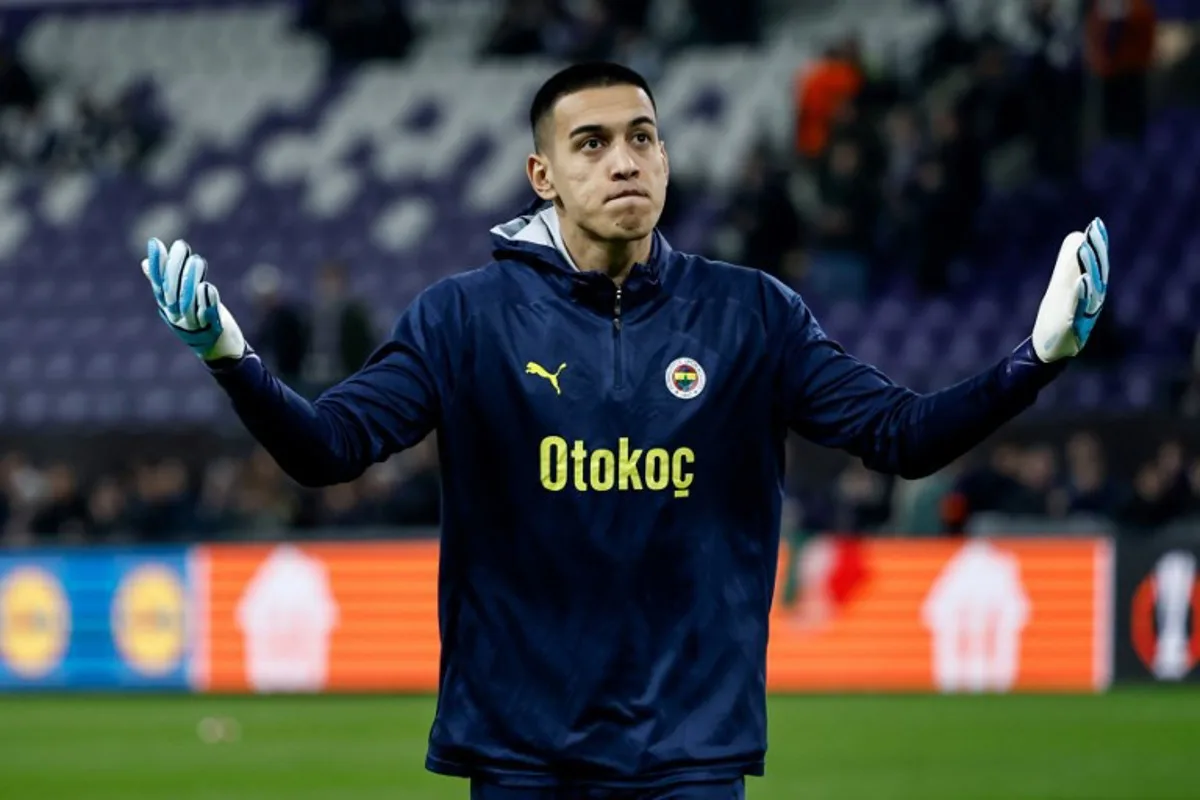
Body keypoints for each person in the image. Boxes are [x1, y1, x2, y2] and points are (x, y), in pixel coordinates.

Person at [140, 62, 1110, 798]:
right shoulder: (463, 316)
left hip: (689, 750)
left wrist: (1037, 357)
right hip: (520, 749)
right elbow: (327, 450)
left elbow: (902, 435)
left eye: (643, 138)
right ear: (544, 174)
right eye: (593, 143)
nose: (625, 160)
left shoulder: (751, 314)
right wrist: (232, 353)